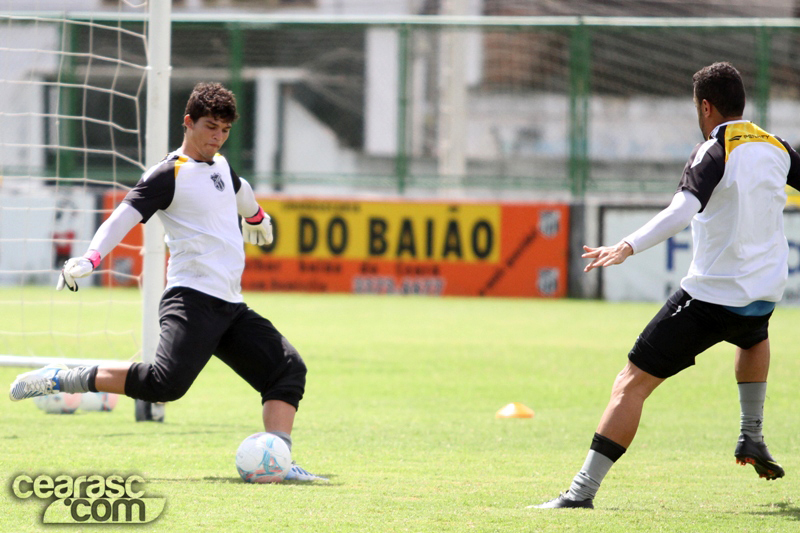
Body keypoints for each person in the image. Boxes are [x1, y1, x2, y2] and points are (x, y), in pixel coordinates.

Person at [9, 82, 326, 482]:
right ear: (188, 122)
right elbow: (121, 217)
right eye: (210, 127)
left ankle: (279, 461)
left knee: (287, 368)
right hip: (191, 299)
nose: (217, 137)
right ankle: (64, 377)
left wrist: (257, 217)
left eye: (225, 130)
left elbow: (239, 190)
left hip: (229, 304)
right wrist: (91, 257)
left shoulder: (222, 166)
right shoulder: (167, 174)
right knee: (164, 385)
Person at [535, 62, 800, 509]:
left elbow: (681, 211)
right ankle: (751, 436)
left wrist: (627, 245)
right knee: (753, 336)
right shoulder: (778, 147)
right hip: (763, 294)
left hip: (712, 296)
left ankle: (581, 493)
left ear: (705, 106)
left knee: (630, 382)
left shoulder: (715, 150)